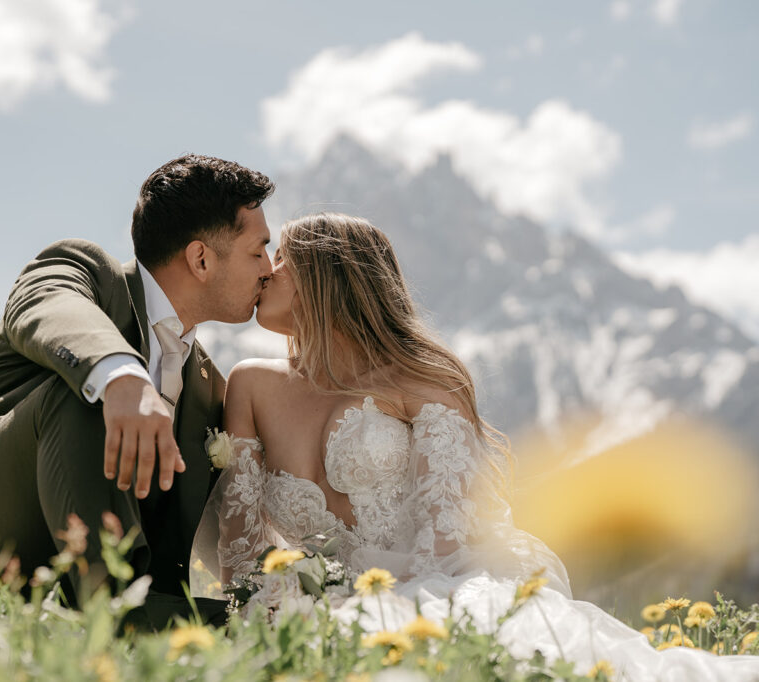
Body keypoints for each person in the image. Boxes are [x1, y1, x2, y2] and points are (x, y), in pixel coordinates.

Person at [192, 213, 759, 679]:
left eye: (282, 258)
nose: (266, 271)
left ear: (328, 275)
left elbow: (447, 540)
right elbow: (241, 547)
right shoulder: (250, 384)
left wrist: (377, 614)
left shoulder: (423, 382)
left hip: (446, 583)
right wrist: (275, 616)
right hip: (320, 605)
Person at [0, 154, 274, 628]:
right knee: (83, 396)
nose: (269, 267)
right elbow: (42, 301)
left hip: (77, 583)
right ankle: (115, 617)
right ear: (201, 259)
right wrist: (120, 377)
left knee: (251, 618)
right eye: (258, 250)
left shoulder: (210, 386)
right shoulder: (90, 274)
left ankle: (145, 618)